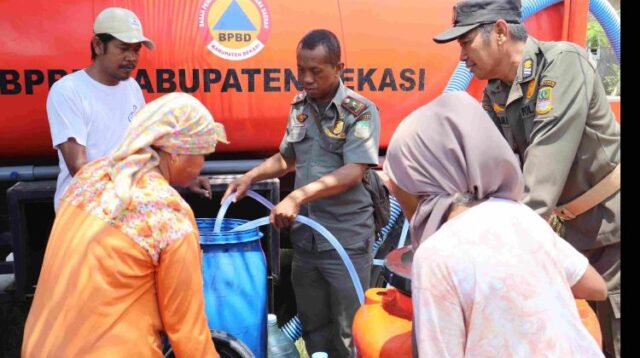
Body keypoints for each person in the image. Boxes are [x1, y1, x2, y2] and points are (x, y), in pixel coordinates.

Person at [433, 1, 620, 356]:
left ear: (500, 32)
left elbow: (537, 189)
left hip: (612, 234)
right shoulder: (496, 92)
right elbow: (494, 177)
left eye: (466, 42)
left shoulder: (563, 66)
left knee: (612, 340)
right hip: (570, 237)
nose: (462, 58)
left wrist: (483, 255)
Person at [383, 91, 607, 357]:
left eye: (398, 179)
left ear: (422, 181)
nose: (394, 189)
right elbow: (595, 287)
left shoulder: (437, 257)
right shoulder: (519, 216)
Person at [22, 92, 228, 357]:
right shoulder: (169, 215)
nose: (202, 166)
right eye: (203, 155)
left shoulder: (89, 178)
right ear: (176, 154)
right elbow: (188, 333)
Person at [222, 29, 380, 357]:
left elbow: (354, 171)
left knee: (349, 333)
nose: (305, 79)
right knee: (313, 330)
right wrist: (249, 177)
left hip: (345, 239)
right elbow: (286, 158)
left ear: (339, 68)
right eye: (300, 70)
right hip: (307, 240)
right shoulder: (299, 107)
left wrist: (297, 196)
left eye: (316, 71)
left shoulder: (360, 111)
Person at [47, 7, 212, 212]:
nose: (132, 57)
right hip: (85, 214)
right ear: (99, 45)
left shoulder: (132, 87)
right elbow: (79, 168)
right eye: (123, 48)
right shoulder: (68, 90)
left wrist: (184, 178)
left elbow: (146, 148)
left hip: (127, 211)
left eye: (136, 50)